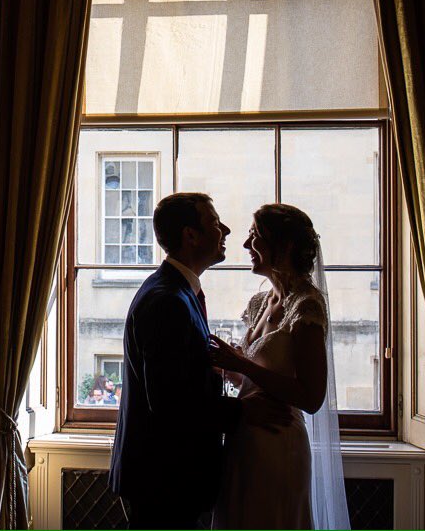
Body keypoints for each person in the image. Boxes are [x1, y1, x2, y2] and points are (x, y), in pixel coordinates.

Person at [108, 192, 291, 529]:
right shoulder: (167, 301)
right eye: (213, 223)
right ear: (190, 236)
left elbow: (178, 373)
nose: (225, 229)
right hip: (162, 479)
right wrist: (243, 411)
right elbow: (168, 403)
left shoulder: (177, 291)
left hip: (167, 475)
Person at [209, 204, 350, 529]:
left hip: (279, 444)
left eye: (255, 237)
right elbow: (246, 376)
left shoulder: (306, 306)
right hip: (244, 440)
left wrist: (243, 363)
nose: (246, 246)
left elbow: (312, 397)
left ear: (284, 247)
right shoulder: (260, 303)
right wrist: (223, 364)